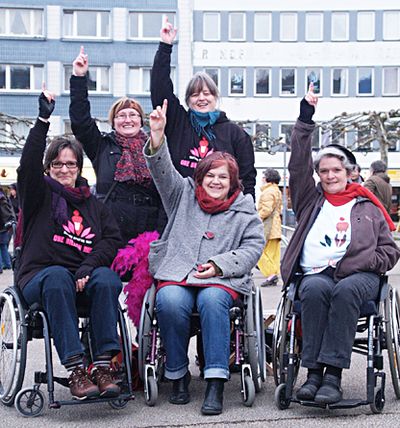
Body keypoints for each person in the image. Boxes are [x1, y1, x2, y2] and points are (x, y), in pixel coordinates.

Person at [281, 83, 400, 405]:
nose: (331, 175)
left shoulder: (368, 206)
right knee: (316, 291)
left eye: (337, 170)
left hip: (358, 275)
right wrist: (306, 116)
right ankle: (313, 373)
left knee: (345, 291)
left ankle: (332, 375)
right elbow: (297, 162)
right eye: (324, 171)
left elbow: (390, 252)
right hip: (317, 271)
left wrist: (364, 263)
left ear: (350, 173)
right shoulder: (310, 200)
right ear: (318, 174)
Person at [144, 100, 264, 415]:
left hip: (221, 279)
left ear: (232, 181)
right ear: (200, 177)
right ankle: (178, 373)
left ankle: (215, 381)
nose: (215, 182)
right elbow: (161, 170)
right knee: (168, 300)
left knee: (212, 301)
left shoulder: (244, 207)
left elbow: (254, 245)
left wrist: (220, 265)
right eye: (210, 176)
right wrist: (157, 134)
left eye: (222, 177)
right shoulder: (182, 194)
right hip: (179, 271)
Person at [17, 88, 124, 400]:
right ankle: (76, 368)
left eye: (71, 164)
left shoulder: (92, 204)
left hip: (83, 278)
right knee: (57, 276)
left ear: (79, 167)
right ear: (49, 166)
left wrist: (89, 267)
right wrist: (42, 121)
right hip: (40, 278)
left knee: (107, 278)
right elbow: (26, 166)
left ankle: (102, 365)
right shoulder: (39, 195)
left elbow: (111, 240)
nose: (65, 169)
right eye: (58, 164)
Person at [150, 17, 256, 200]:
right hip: (180, 207)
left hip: (222, 212)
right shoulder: (178, 123)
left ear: (215, 97)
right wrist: (165, 46)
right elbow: (161, 88)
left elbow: (247, 178)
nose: (201, 98)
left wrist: (245, 214)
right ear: (188, 100)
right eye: (195, 94)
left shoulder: (235, 134)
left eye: (207, 93)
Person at [69, 46, 166, 244]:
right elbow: (80, 121)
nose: (127, 119)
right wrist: (79, 78)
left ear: (141, 120)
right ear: (113, 122)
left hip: (148, 228)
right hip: (110, 227)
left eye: (133, 114)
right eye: (121, 115)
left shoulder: (154, 146)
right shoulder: (102, 145)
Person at [257, 168, 282, 286]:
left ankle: (271, 275)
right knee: (273, 254)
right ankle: (274, 274)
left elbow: (266, 210)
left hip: (268, 226)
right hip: (276, 226)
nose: (261, 179)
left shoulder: (268, 192)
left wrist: (256, 218)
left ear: (267, 179)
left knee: (260, 252)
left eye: (263, 177)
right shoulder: (277, 190)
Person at [0, 189, 15, 272]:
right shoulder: (4, 197)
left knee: (2, 246)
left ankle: (2, 266)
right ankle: (7, 264)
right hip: (4, 226)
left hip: (2, 226)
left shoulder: (1, 198)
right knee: (3, 246)